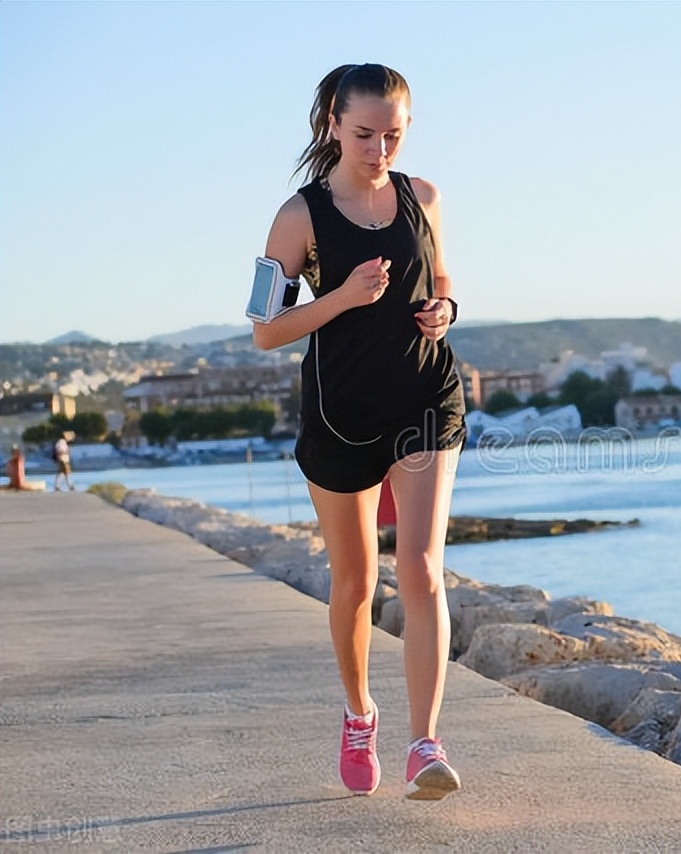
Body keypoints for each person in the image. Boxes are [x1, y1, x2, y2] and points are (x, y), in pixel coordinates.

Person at [252, 64, 467, 800]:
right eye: (366, 134)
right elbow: (265, 332)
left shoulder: (423, 198)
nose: (380, 150)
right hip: (340, 417)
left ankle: (425, 743)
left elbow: (443, 280)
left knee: (424, 569)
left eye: (394, 136)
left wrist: (445, 312)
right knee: (355, 583)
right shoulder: (299, 216)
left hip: (425, 402)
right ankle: (359, 714)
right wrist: (342, 297)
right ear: (334, 126)